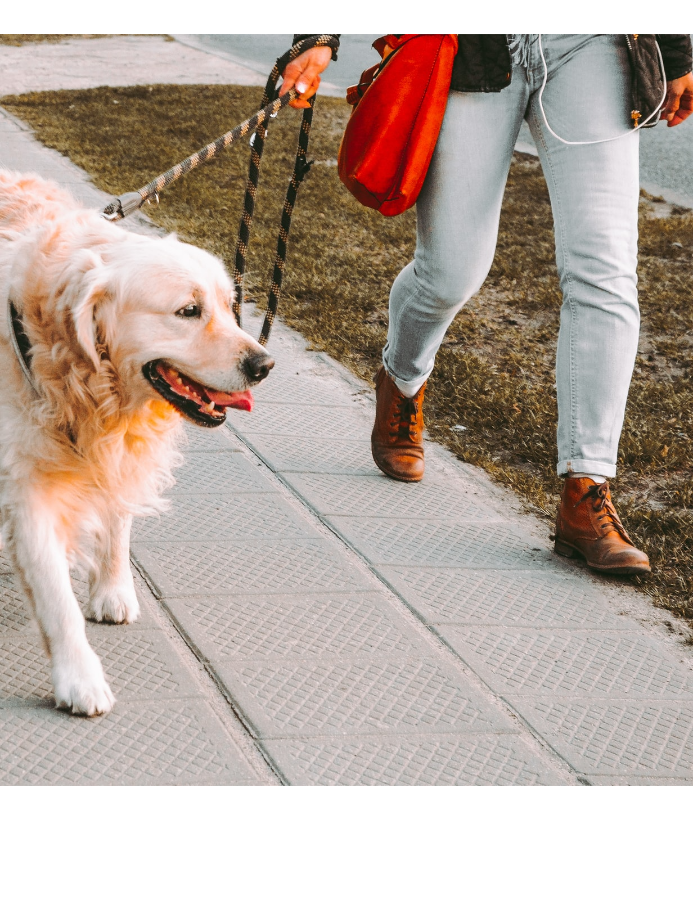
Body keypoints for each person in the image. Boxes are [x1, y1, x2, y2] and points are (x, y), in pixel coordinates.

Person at [282, 33, 693, 576]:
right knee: (450, 270)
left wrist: (679, 54)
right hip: (476, 48)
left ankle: (586, 489)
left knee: (605, 273)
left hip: (593, 48)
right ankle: (402, 377)